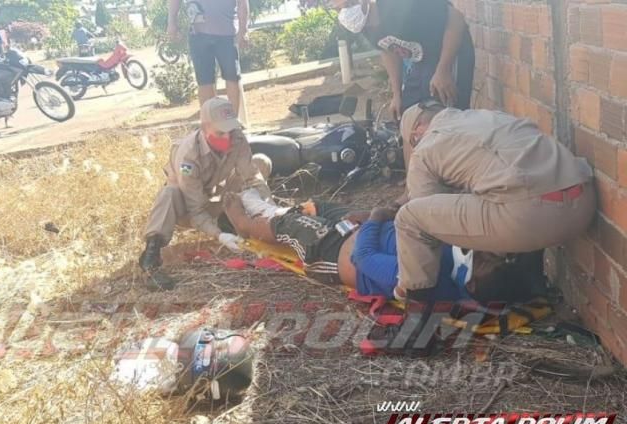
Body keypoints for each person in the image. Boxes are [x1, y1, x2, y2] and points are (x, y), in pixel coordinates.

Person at [393, 101, 595, 307]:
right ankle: (533, 287)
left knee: (408, 218)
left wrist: (404, 285)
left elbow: (426, 217)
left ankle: (416, 313)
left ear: (417, 130)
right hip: (583, 203)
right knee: (512, 187)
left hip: (532, 218)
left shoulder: (425, 148)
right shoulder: (489, 116)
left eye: (412, 140)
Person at [220, 194, 523, 302]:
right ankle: (270, 211)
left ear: (470, 283)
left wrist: (375, 218)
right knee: (319, 206)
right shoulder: (462, 264)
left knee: (295, 225)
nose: (487, 255)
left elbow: (362, 258)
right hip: (361, 231)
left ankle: (244, 224)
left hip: (330, 252)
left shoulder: (419, 276)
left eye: (487, 263)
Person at [140, 97, 273, 291]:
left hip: (216, 196)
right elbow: (196, 211)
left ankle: (235, 220)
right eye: (220, 132)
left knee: (261, 162)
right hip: (187, 208)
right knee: (169, 193)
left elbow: (252, 176)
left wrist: (269, 212)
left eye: (230, 130)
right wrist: (219, 236)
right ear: (204, 127)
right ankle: (150, 261)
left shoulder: (236, 137)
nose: (227, 139)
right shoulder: (188, 156)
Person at [332, 0, 475, 120]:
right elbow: (387, 49)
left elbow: (456, 18)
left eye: (348, 6)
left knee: (446, 117)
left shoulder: (399, 6)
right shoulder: (365, 26)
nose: (344, 14)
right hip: (421, 59)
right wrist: (396, 94)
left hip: (451, 52)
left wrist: (443, 70)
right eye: (339, 10)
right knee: (408, 114)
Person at [167, 0, 249, 112]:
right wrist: (171, 22)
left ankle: (233, 122)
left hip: (227, 33)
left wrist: (243, 30)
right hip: (198, 34)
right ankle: (211, 124)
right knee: (204, 81)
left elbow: (242, 2)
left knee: (232, 77)